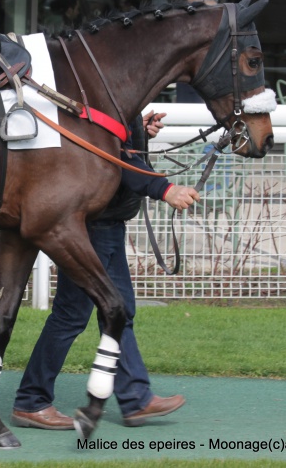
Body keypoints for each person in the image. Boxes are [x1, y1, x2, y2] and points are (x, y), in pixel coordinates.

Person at [11, 111, 200, 430]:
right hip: (90, 226)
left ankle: (136, 399)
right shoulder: (103, 95)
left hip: (104, 224)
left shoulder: (118, 99)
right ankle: (31, 400)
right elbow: (112, 158)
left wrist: (139, 132)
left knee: (119, 310)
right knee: (73, 314)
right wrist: (165, 189)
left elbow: (120, 147)